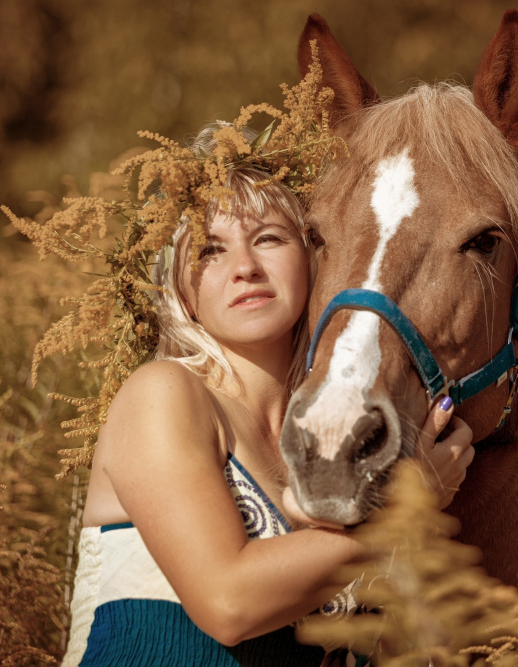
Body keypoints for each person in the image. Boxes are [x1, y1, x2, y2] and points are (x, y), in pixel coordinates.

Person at [60, 127, 476, 666]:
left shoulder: (336, 432)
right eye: (211, 249)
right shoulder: (163, 394)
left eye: (269, 239)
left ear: (316, 260)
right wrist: (410, 499)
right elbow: (227, 603)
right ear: (181, 289)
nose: (245, 268)